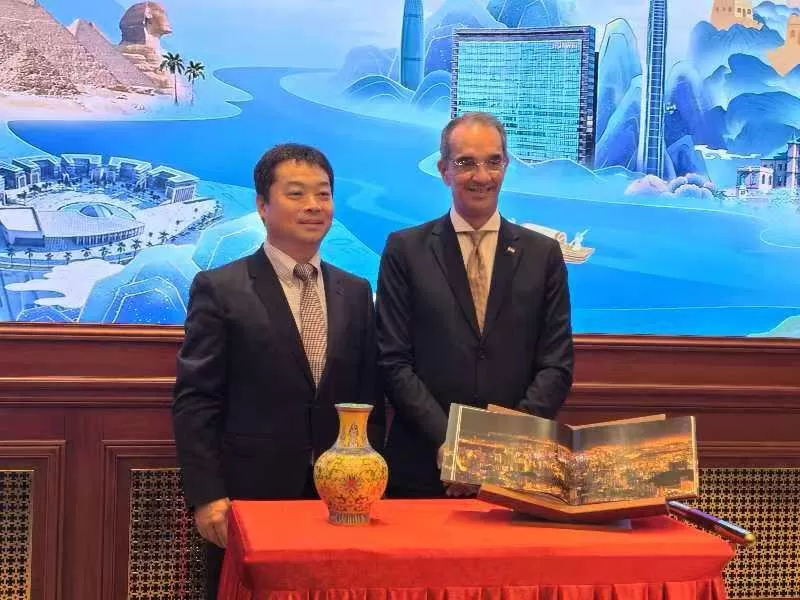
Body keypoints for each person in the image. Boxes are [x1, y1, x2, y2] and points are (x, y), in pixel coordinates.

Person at [172, 143, 384, 599]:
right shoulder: (221, 288)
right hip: (249, 496)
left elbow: (369, 398)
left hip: (340, 499)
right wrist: (207, 495)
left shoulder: (354, 291)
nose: (314, 205)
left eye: (323, 194)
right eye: (296, 193)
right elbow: (196, 400)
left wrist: (371, 486)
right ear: (262, 205)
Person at [376, 112, 574, 499]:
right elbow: (393, 361)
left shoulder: (543, 255)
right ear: (444, 170)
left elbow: (556, 364)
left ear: (506, 166)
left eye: (493, 162)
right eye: (466, 162)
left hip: (516, 471)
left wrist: (499, 451)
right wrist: (451, 446)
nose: (481, 176)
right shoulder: (406, 250)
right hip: (423, 467)